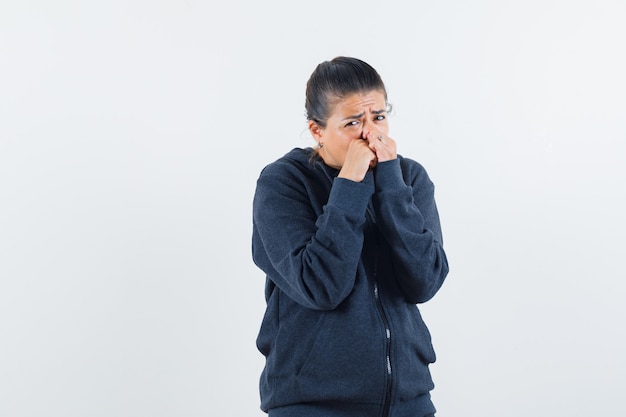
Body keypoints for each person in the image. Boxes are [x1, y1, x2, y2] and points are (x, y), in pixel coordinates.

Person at [251, 56, 449, 417]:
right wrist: (349, 184)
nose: (371, 134)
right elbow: (320, 286)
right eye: (353, 122)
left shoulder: (408, 178)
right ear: (317, 130)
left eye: (378, 117)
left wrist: (390, 183)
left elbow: (425, 281)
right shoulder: (282, 183)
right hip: (312, 404)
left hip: (408, 402)